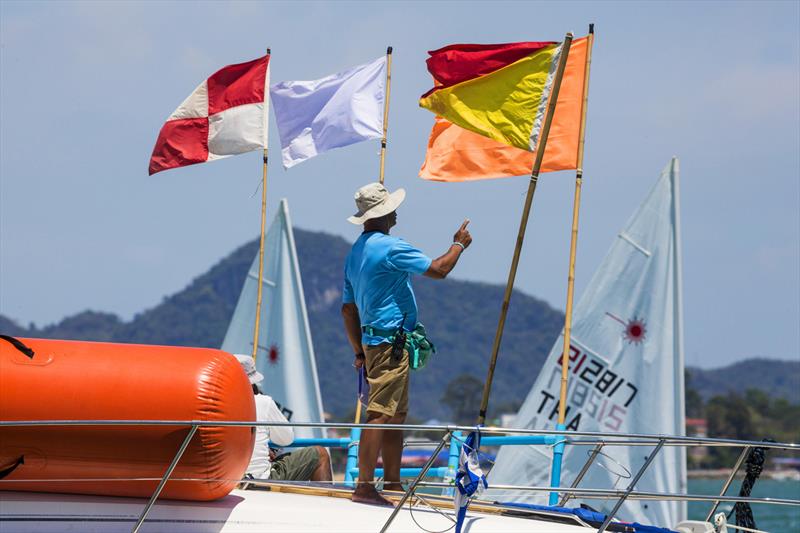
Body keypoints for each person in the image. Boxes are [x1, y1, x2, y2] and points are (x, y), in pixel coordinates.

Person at [341, 182, 472, 505]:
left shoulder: (355, 251)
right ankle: (365, 486)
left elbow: (347, 308)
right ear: (384, 213)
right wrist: (458, 244)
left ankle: (393, 483)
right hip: (390, 344)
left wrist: (358, 350)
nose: (397, 212)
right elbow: (439, 270)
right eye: (392, 208)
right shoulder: (390, 247)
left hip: (376, 344)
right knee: (381, 415)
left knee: (395, 415)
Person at [234, 354, 332, 484]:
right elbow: (286, 439)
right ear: (253, 382)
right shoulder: (264, 402)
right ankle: (324, 502)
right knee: (320, 454)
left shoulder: (213, 404)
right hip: (258, 479)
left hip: (224, 480)